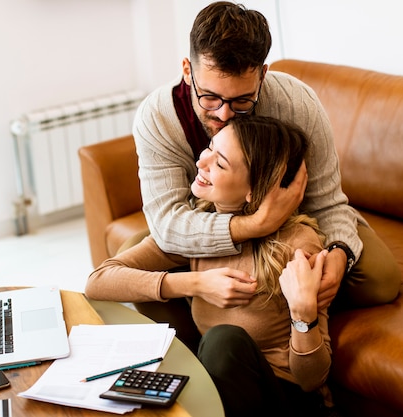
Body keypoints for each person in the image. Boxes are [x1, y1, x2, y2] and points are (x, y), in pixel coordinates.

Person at [131, 1, 400, 310]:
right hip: (207, 229)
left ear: (262, 75)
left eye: (242, 101)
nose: (224, 114)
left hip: (293, 227)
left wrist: (339, 254)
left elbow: (327, 202)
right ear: (187, 71)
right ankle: (203, 344)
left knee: (380, 278)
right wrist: (257, 224)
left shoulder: (297, 103)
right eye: (209, 98)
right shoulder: (157, 118)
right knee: (135, 261)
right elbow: (167, 225)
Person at [86, 116, 334, 417]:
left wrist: (303, 313)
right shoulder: (196, 228)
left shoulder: (297, 245)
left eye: (221, 163)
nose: (202, 162)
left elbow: (312, 380)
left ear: (254, 191)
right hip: (221, 388)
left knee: (222, 340)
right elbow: (98, 281)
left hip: (287, 399)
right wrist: (196, 283)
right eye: (210, 147)